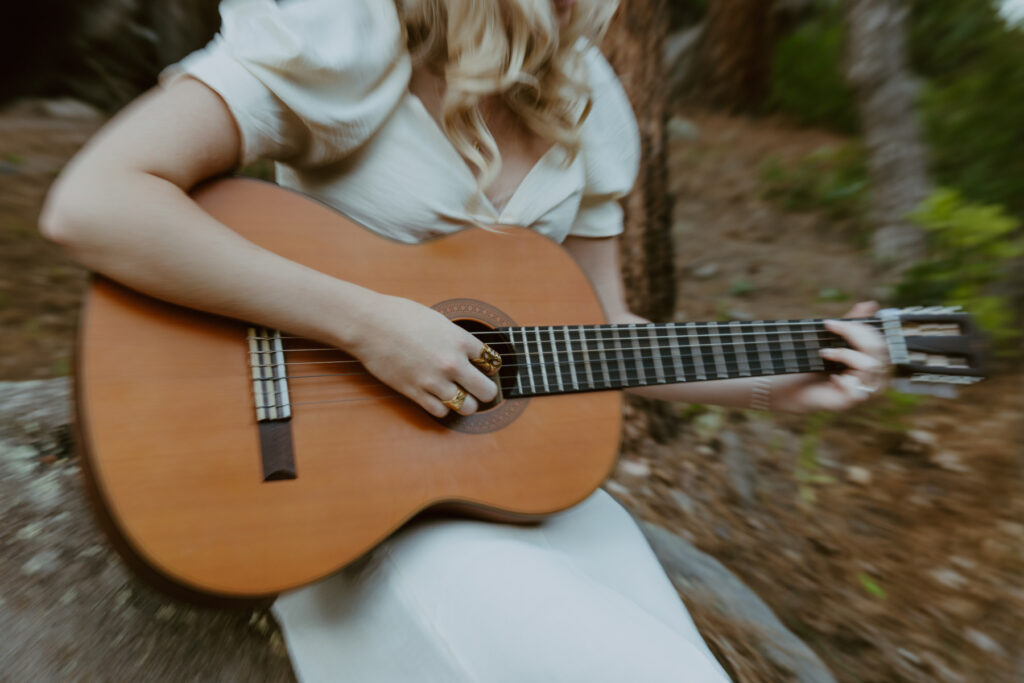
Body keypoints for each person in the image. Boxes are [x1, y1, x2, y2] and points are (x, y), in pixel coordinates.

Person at [40, 0, 889, 680]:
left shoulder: (587, 91)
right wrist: (369, 325)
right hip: (330, 494)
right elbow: (95, 203)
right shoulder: (341, 32)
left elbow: (605, 331)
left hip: (503, 492)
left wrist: (781, 380)